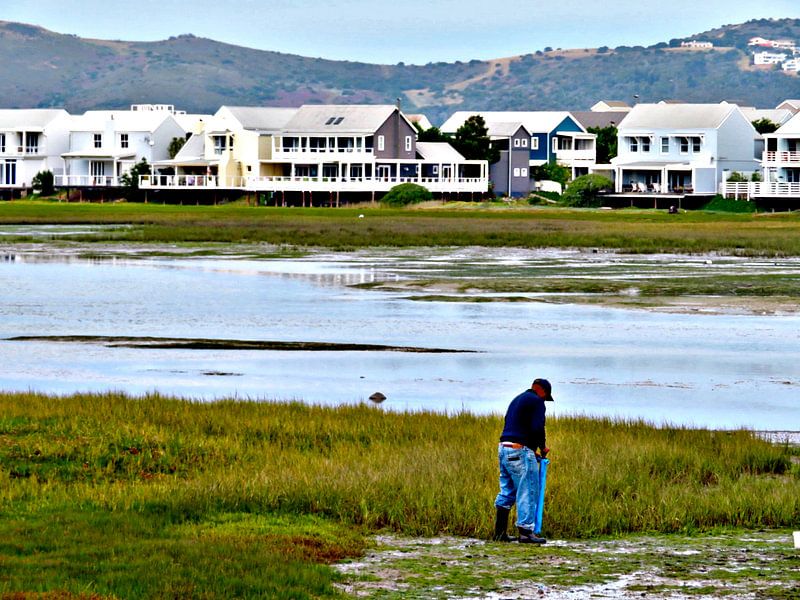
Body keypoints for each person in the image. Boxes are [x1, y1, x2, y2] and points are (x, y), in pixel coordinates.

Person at [493, 378, 553, 544]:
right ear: (543, 391)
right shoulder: (538, 402)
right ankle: (526, 533)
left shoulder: (517, 399)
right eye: (546, 396)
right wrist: (541, 447)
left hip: (503, 448)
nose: (544, 400)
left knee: (507, 491)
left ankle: (500, 533)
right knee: (528, 490)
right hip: (520, 450)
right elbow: (537, 427)